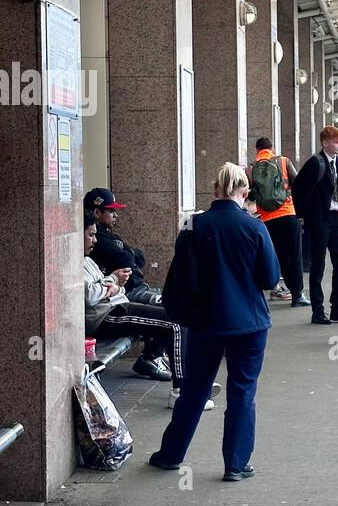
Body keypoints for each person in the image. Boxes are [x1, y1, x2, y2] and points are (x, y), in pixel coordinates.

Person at [149, 163, 280, 481]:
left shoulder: (193, 225)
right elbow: (270, 277)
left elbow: (178, 277)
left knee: (195, 390)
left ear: (215, 190)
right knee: (242, 391)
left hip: (205, 323)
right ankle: (235, 464)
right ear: (245, 192)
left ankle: (170, 455)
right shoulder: (254, 227)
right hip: (249, 324)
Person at [83, 214, 213, 411]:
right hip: (106, 315)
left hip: (118, 304)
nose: (94, 240)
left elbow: (115, 285)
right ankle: (182, 392)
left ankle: (191, 381)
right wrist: (112, 280)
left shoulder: (88, 260)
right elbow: (92, 295)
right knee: (175, 324)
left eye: (95, 235)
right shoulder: (73, 263)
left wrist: (112, 284)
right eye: (90, 236)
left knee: (176, 314)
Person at [84, 187, 170, 381]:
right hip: (112, 308)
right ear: (97, 212)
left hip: (120, 296)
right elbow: (126, 260)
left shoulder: (101, 243)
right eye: (111, 211)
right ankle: (153, 359)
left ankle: (156, 357)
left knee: (170, 309)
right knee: (168, 313)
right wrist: (115, 278)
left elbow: (135, 257)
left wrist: (117, 279)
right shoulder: (94, 249)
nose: (115, 215)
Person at [292, 125, 338, 326]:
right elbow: (298, 188)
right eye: (336, 142)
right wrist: (303, 215)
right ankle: (318, 311)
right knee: (318, 266)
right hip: (319, 219)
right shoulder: (315, 163)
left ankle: (337, 308)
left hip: (336, 220)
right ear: (325, 142)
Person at [247, 137, 310, 308]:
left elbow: (250, 195)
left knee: (274, 256)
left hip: (266, 219)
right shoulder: (283, 161)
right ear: (271, 148)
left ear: (257, 150)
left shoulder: (251, 168)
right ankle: (297, 296)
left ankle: (275, 288)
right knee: (294, 255)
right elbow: (299, 184)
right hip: (288, 214)